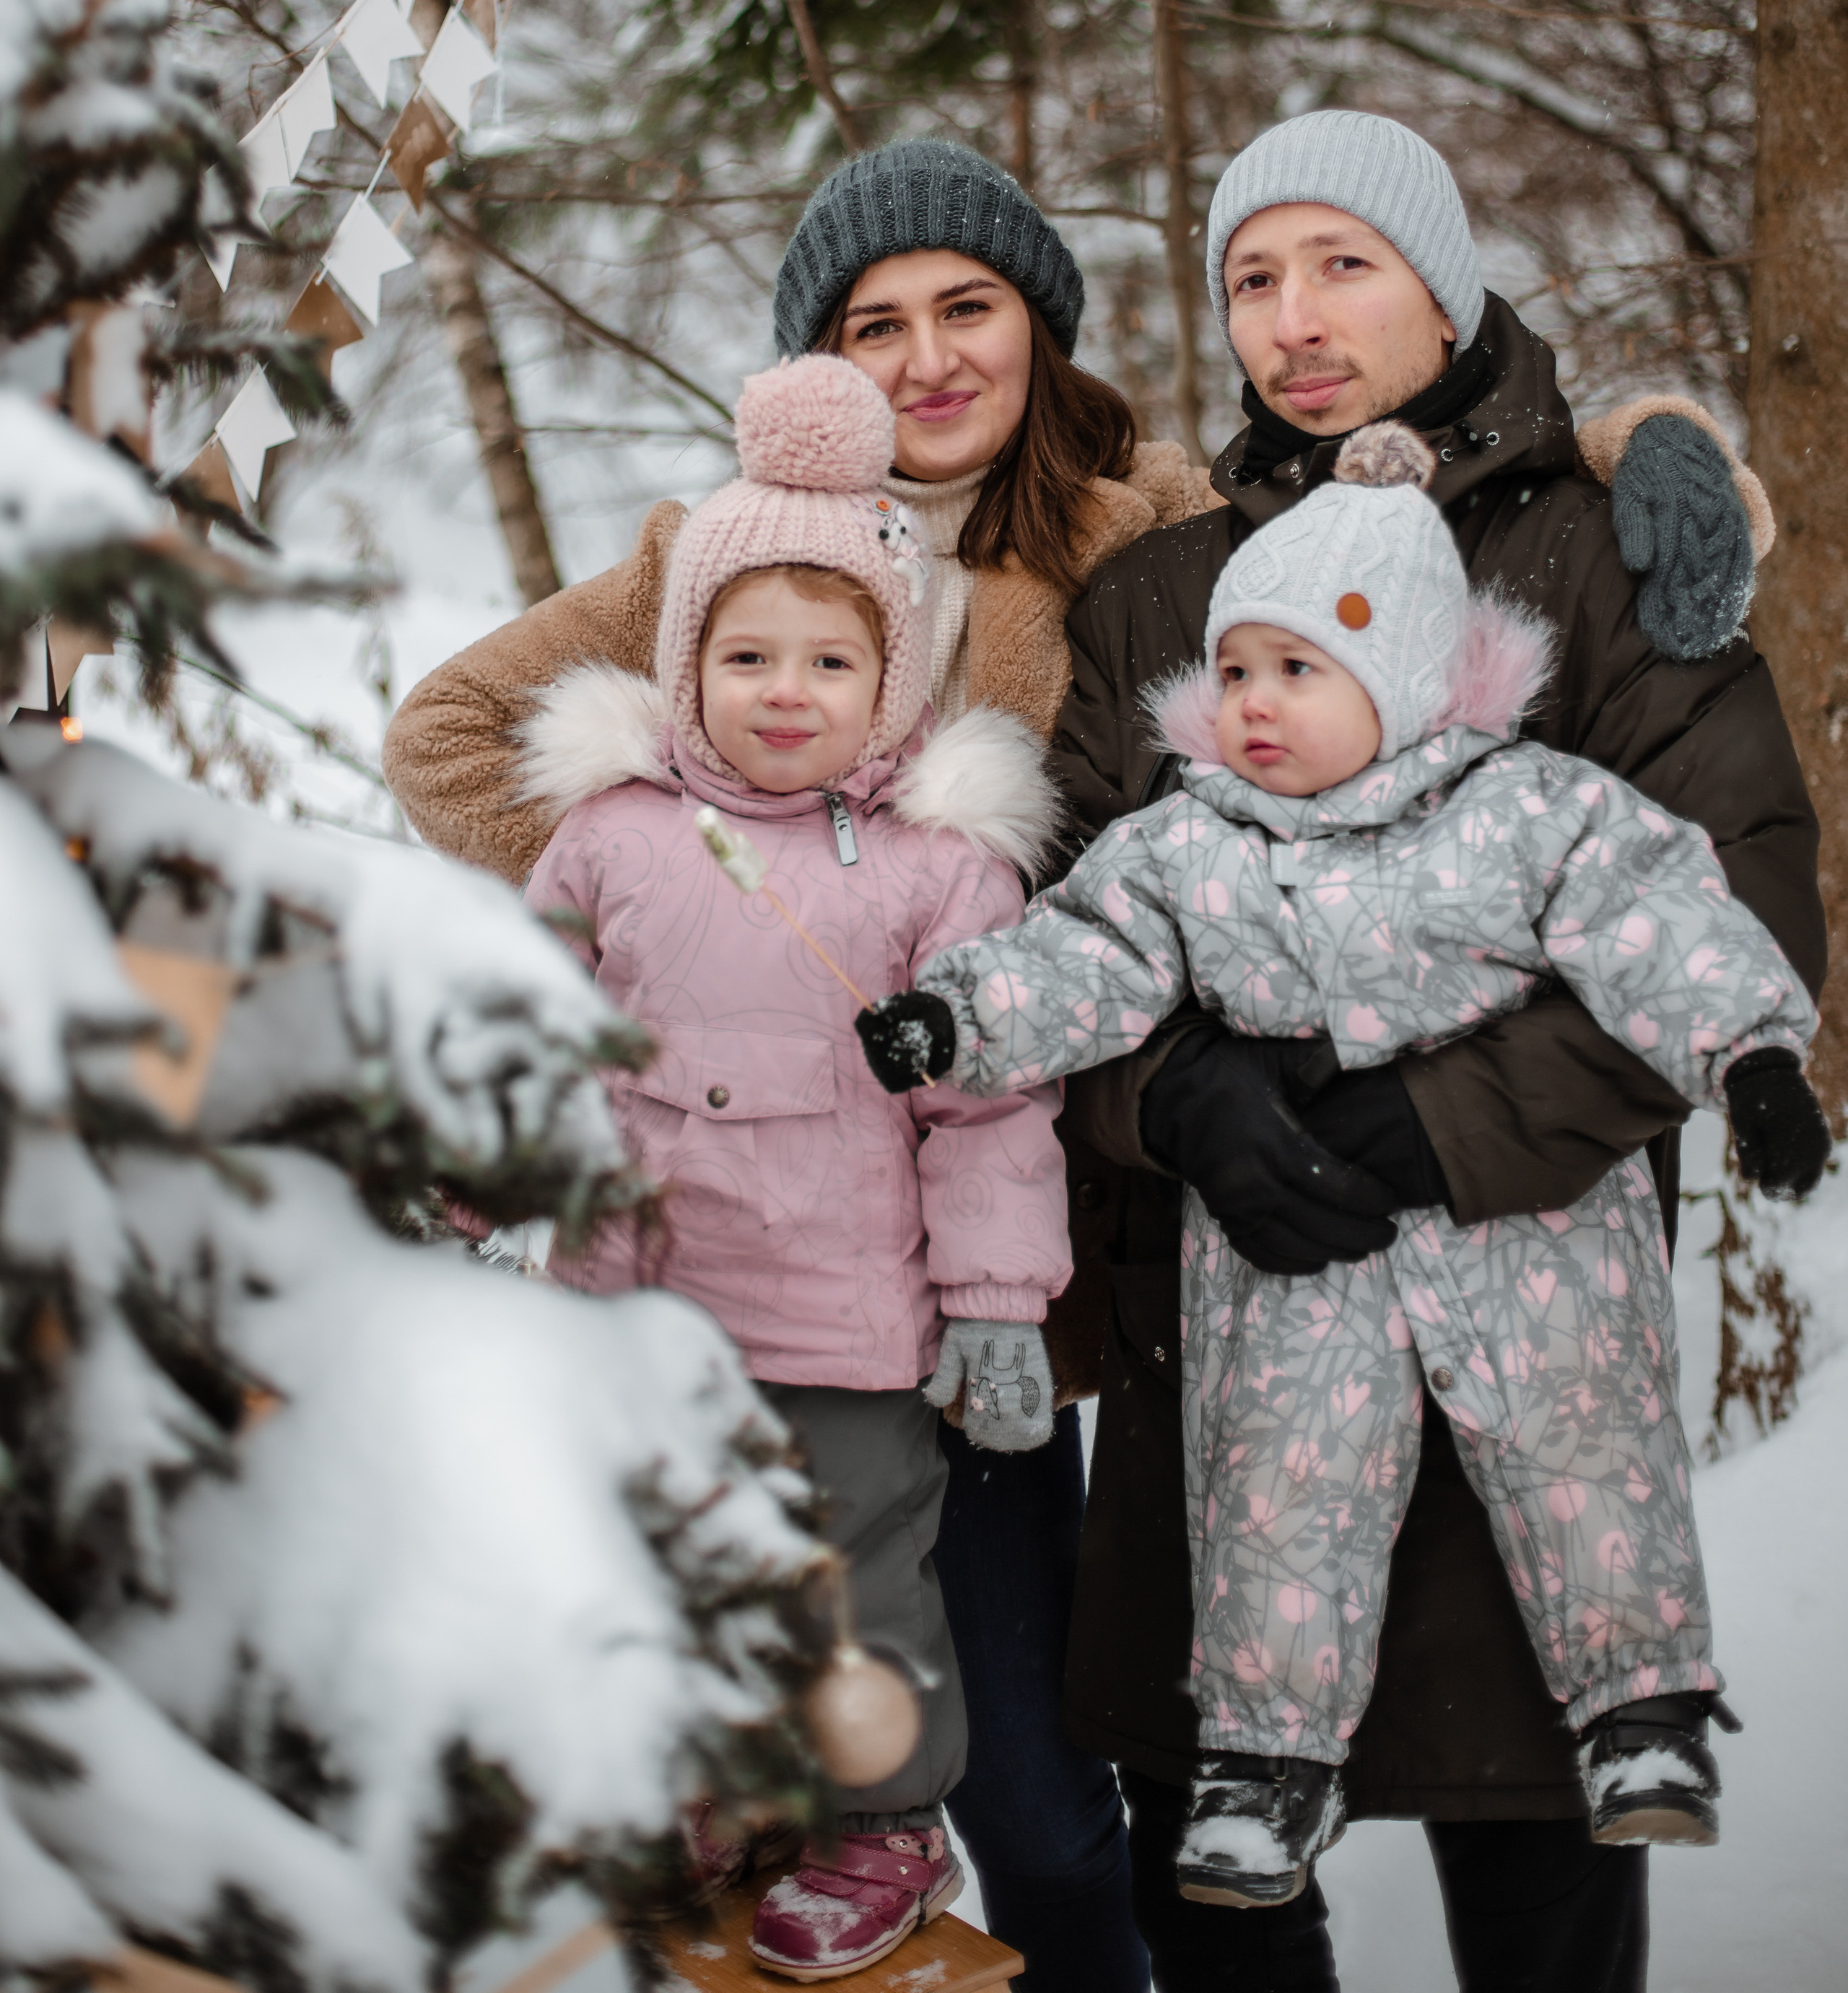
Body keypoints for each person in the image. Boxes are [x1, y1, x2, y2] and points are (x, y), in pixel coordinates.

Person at [381, 129, 1771, 1992]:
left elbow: (1424, 494)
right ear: (816, 364)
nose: (929, 356)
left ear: (1046, 332)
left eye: (973, 308)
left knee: (1272, 1803)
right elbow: (465, 742)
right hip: (868, 1229)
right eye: (874, 322)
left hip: (1131, 1245)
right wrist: (717, 868)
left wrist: (1653, 444)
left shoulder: (1141, 531)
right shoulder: (733, 564)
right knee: (1105, 1782)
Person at [1044, 110, 1826, 1993]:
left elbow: (1730, 900)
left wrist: (1441, 1118)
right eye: (1253, 276)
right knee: (1217, 1883)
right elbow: (1056, 924)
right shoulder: (1161, 605)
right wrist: (1169, 1097)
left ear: (1444, 279)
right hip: (1221, 1323)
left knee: (1540, 1869)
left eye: (1346, 264)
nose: (1295, 318)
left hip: (1526, 1300)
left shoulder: (1617, 555)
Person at [855, 417, 1829, 1911]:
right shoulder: (1188, 844)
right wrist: (955, 1017)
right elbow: (1082, 958)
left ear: (1402, 682)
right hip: (1288, 1251)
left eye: (1295, 672)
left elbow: (1659, 920)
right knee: (1273, 1491)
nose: (1250, 705)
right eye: (1235, 669)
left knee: (1584, 1456)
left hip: (1528, 1239)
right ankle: (1263, 1760)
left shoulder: (1525, 811)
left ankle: (1643, 1708)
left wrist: (1751, 1055)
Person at [522, 349, 1071, 1979]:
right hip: (642, 1307)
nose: (783, 688)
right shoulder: (611, 836)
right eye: (745, 651)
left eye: (830, 658)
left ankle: (879, 1821)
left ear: (892, 679)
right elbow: (528, 1033)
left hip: (842, 1317)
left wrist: (991, 1304)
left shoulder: (937, 871)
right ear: (686, 663)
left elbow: (989, 1107)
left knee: (848, 1583)